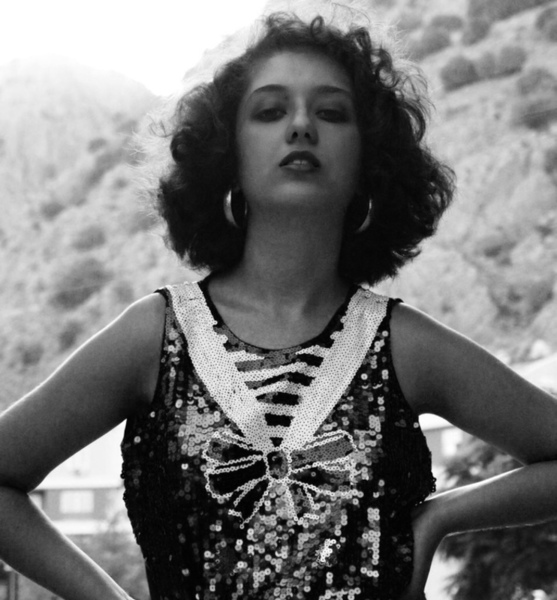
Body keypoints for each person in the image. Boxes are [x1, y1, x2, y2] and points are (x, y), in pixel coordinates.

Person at [0, 12, 556, 600]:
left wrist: (440, 515)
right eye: (270, 111)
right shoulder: (156, 337)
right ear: (228, 154)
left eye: (331, 112)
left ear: (370, 158)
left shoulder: (405, 346)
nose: (301, 125)